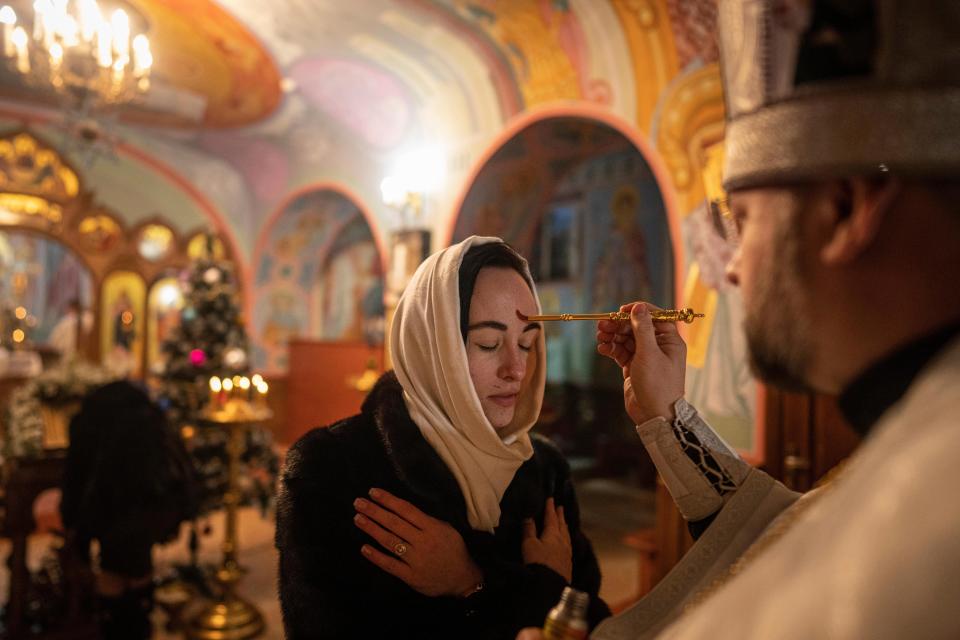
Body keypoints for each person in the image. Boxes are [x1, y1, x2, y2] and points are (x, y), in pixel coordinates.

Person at [519, 0, 960, 638]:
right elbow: (781, 533)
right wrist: (664, 415)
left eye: (745, 222)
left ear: (844, 209)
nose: (731, 269)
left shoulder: (928, 528)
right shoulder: (922, 437)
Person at [276, 236, 611, 639]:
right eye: (488, 343)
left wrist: (474, 581)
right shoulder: (330, 468)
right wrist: (540, 590)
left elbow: (595, 626)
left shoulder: (543, 470)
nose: (516, 369)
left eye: (526, 344)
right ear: (432, 346)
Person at [60, 381, 198, 639]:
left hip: (109, 512)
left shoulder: (88, 421)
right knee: (136, 566)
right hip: (154, 509)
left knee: (113, 571)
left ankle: (116, 623)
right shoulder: (153, 418)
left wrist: (72, 524)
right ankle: (138, 620)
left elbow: (76, 478)